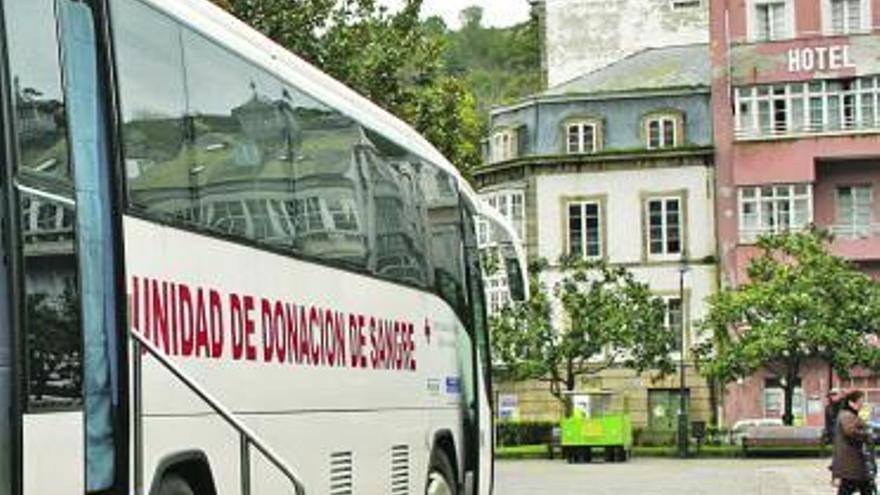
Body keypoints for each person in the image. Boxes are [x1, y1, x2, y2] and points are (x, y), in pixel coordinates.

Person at [832, 390, 876, 495]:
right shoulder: (847, 415)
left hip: (855, 462)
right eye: (860, 401)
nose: (862, 404)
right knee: (853, 487)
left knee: (863, 487)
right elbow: (850, 431)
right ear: (851, 403)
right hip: (851, 462)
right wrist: (868, 433)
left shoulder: (850, 415)